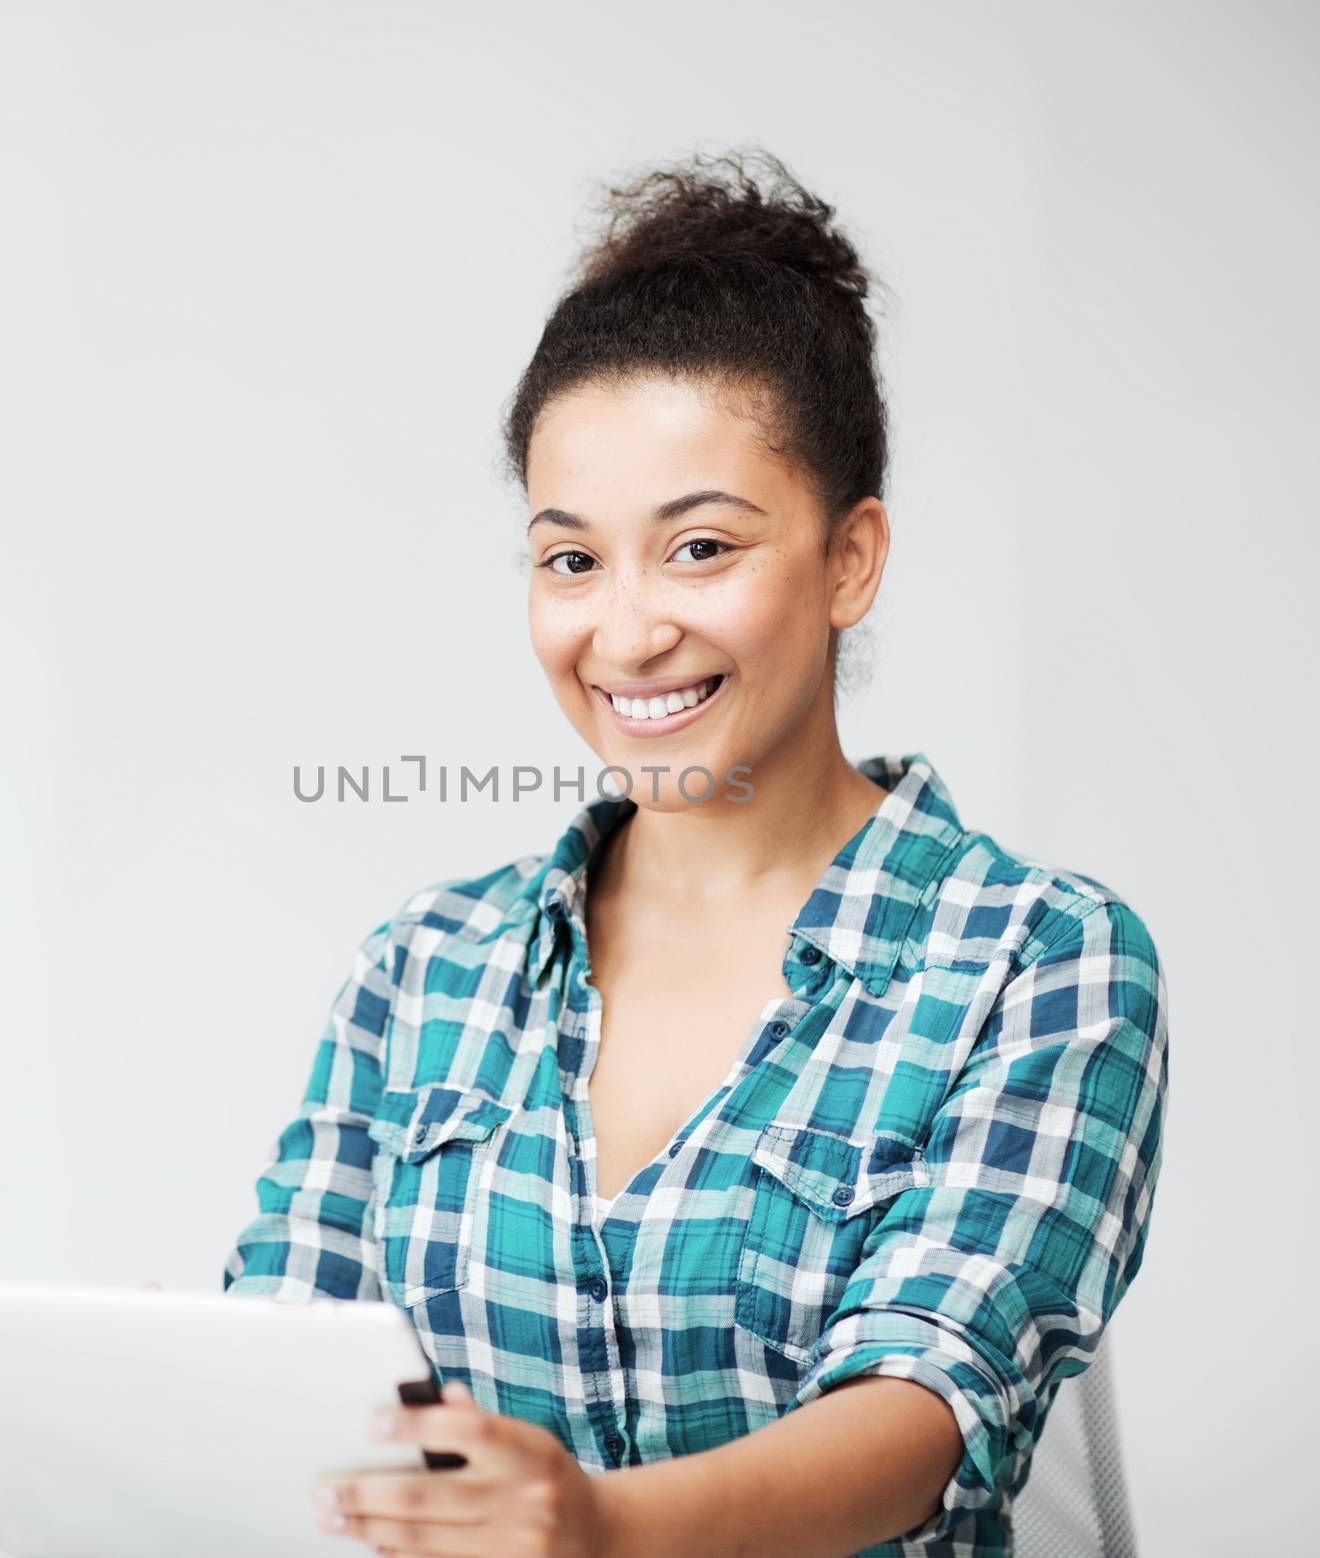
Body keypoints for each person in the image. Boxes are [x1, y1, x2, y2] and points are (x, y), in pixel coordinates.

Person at [222, 147, 1169, 1558]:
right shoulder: (427, 966)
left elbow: (922, 1408)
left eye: (702, 548)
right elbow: (276, 1374)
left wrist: (601, 1525)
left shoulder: (1041, 961)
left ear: (851, 558)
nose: (627, 629)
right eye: (571, 559)